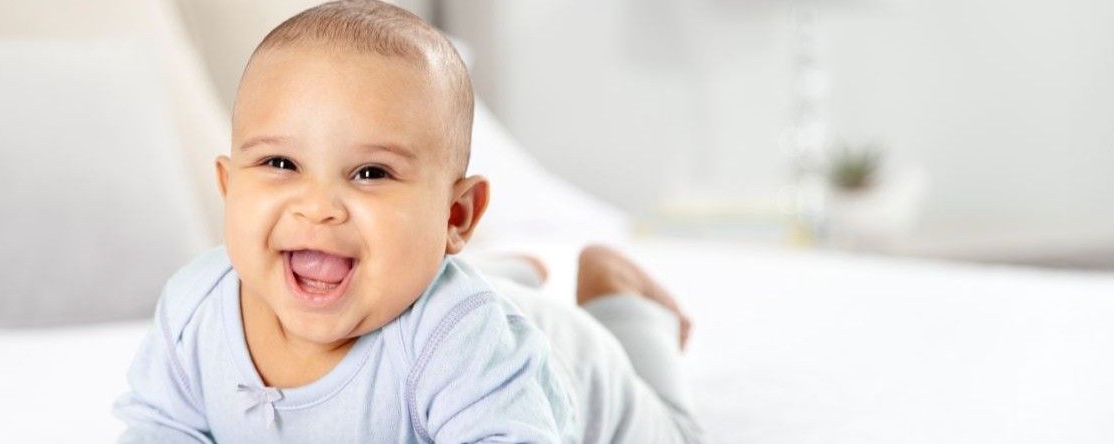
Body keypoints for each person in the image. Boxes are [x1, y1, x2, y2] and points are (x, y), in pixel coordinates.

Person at [114, 1, 701, 442]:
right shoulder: (196, 310)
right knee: (396, 268)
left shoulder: (467, 343)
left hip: (570, 369)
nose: (318, 206)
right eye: (280, 163)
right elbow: (160, 426)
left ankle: (623, 303)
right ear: (228, 187)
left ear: (455, 215)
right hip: (429, 283)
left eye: (370, 173)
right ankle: (503, 273)